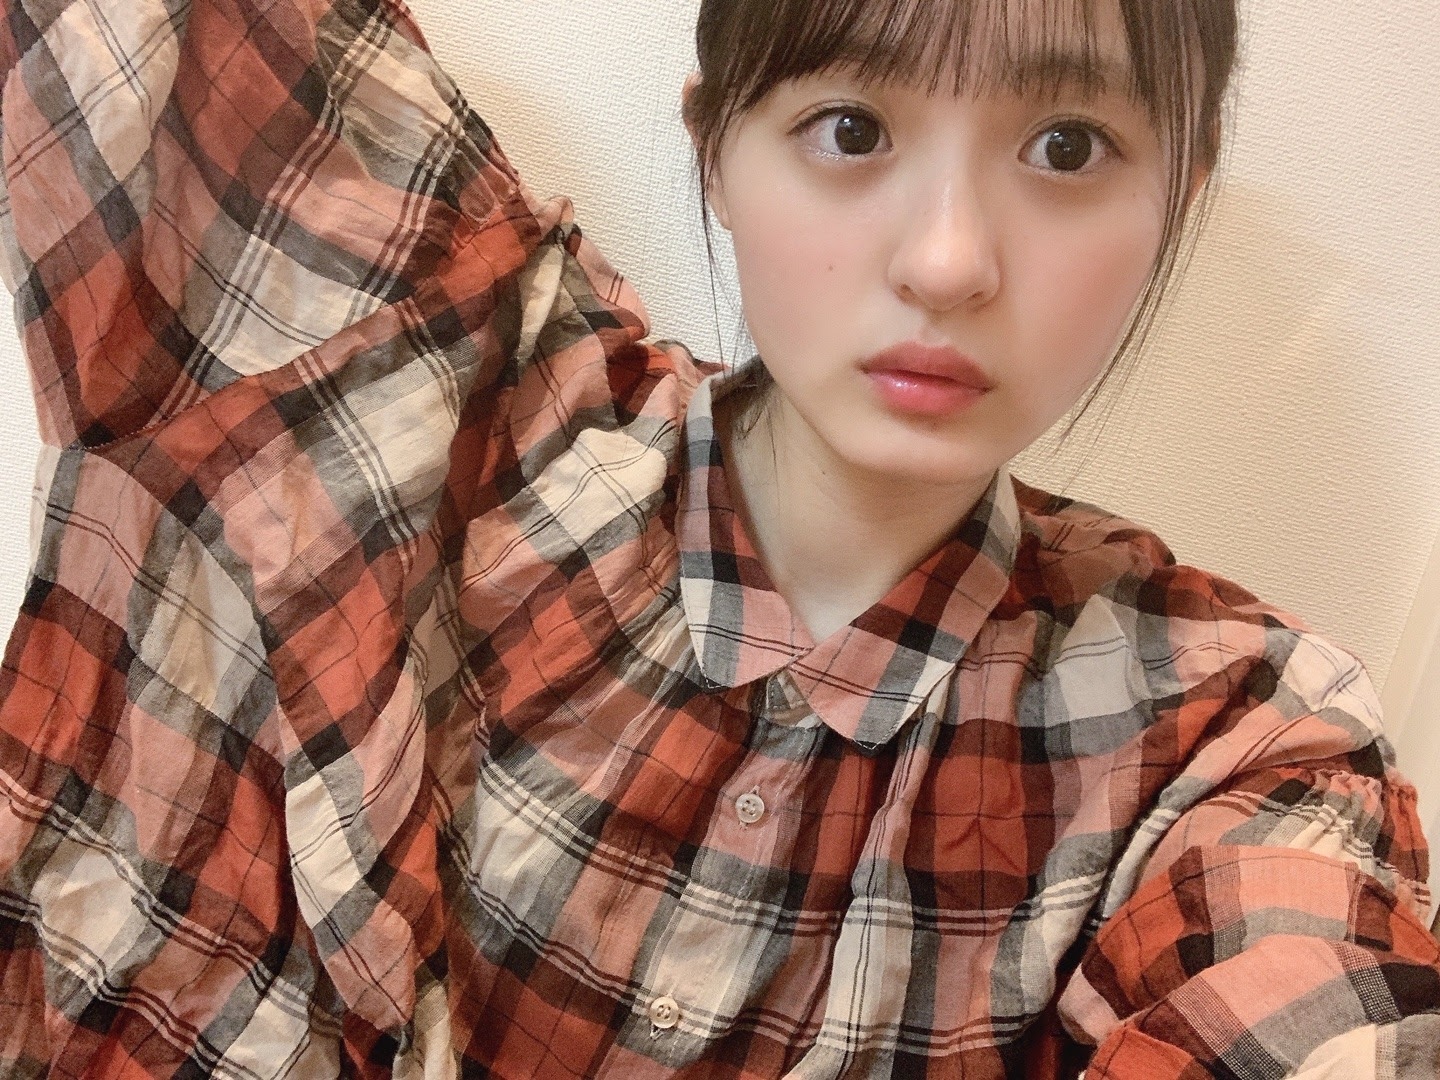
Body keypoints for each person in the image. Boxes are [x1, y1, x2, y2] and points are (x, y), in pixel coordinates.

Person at [0, 0, 1435, 1076]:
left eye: (1068, 147)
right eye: (851, 129)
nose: (947, 259)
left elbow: (1308, 1005)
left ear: (1176, 196)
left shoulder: (1225, 734)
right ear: (716, 153)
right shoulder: (438, 365)